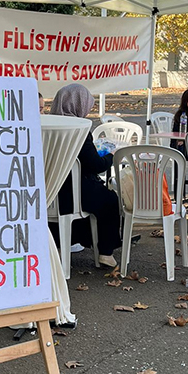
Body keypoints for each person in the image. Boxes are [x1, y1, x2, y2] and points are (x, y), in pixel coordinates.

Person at [50, 84, 122, 268]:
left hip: (49, 191)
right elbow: (95, 165)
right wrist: (110, 156)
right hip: (73, 192)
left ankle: (59, 246)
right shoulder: (79, 128)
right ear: (78, 104)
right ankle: (105, 252)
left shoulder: (46, 125)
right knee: (110, 199)